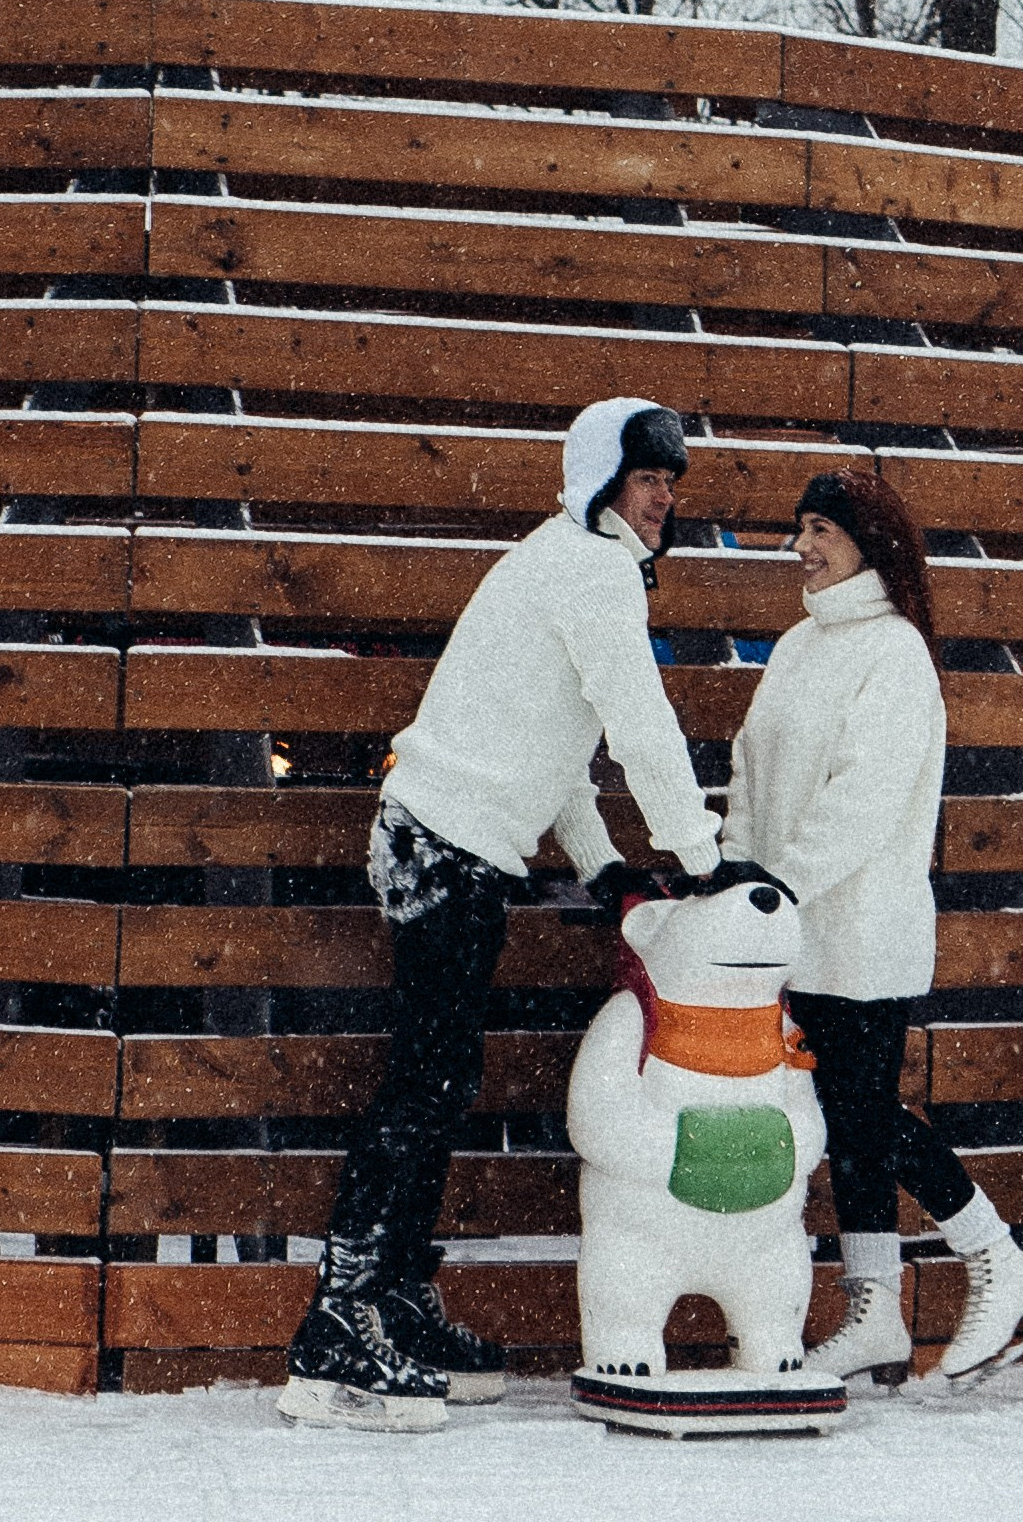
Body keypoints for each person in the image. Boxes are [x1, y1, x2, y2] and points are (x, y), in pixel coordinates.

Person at [280, 394, 723, 1432]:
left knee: (439, 1079)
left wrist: (605, 867)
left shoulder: (565, 559)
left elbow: (553, 741)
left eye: (670, 481)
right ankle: (339, 1322)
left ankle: (391, 1294)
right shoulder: (590, 568)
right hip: (445, 842)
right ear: (601, 478)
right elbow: (638, 725)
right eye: (646, 476)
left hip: (443, 840)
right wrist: (702, 853)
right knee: (423, 1082)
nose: (662, 496)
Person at [719, 467, 1023, 1386]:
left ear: (868, 542)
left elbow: (861, 802)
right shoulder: (797, 646)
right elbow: (749, 767)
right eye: (799, 529)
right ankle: (875, 1312)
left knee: (864, 1113)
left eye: (820, 530)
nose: (801, 547)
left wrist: (777, 885)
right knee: (845, 1124)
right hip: (786, 930)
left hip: (861, 931)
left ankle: (995, 1256)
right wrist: (740, 871)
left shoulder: (895, 653)